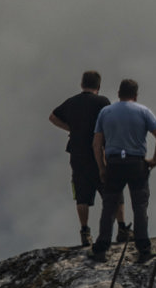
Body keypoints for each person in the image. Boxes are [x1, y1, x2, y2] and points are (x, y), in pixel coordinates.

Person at [89, 79, 156, 264]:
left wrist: (101, 167)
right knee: (139, 206)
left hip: (114, 163)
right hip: (136, 162)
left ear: (118, 93)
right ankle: (143, 248)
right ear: (136, 95)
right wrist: (154, 160)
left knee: (109, 206)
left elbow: (96, 144)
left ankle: (101, 248)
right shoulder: (143, 111)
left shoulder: (105, 112)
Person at [49, 70, 127, 247]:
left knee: (82, 196)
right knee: (114, 190)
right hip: (99, 153)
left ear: (82, 84)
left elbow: (52, 117)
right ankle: (122, 229)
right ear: (98, 86)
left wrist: (71, 128)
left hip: (77, 155)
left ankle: (85, 231)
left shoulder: (71, 102)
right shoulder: (102, 102)